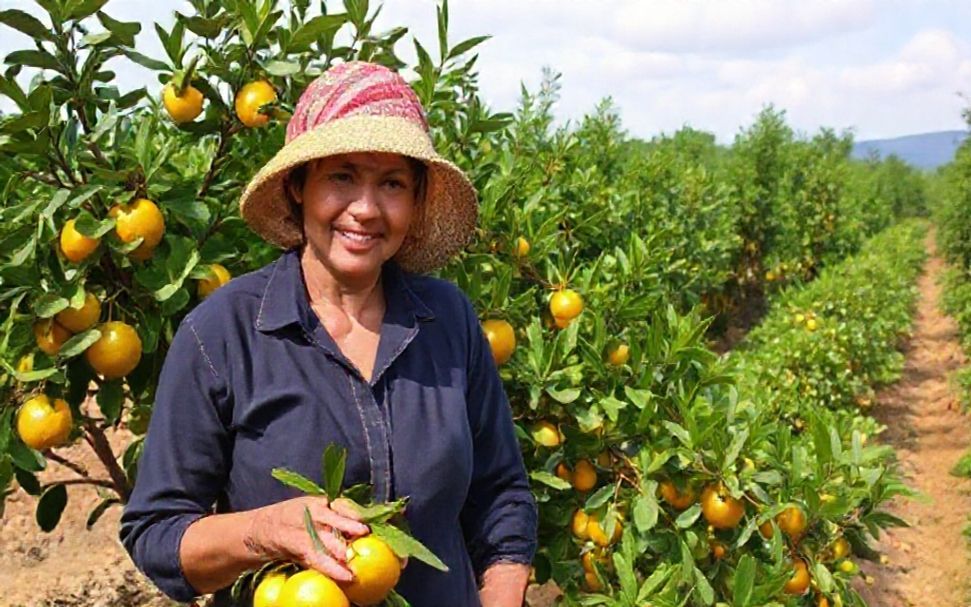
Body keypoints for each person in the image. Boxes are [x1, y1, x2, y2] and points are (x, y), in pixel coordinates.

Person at [120, 61, 537, 606]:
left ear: (414, 204)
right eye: (342, 176)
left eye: (391, 184)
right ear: (298, 186)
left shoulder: (448, 319)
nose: (365, 209)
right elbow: (156, 534)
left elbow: (501, 493)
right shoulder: (224, 332)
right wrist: (262, 530)